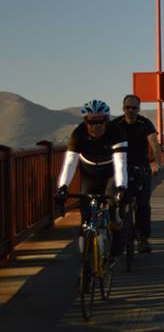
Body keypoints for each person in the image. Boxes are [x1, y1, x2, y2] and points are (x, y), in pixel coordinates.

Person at [55, 100, 128, 256]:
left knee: (113, 206)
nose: (95, 126)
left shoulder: (117, 132)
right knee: (86, 218)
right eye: (91, 121)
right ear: (85, 121)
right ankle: (87, 264)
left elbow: (121, 164)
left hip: (110, 173)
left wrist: (121, 187)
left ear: (106, 121)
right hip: (90, 174)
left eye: (100, 121)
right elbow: (69, 164)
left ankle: (117, 235)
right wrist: (63, 187)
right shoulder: (78, 134)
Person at [113, 95, 159, 252]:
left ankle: (144, 239)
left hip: (141, 168)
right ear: (123, 108)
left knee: (143, 205)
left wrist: (157, 163)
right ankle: (118, 239)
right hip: (120, 169)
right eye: (128, 107)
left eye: (134, 108)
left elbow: (154, 143)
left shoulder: (144, 123)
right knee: (116, 203)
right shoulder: (115, 124)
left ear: (139, 109)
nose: (131, 110)